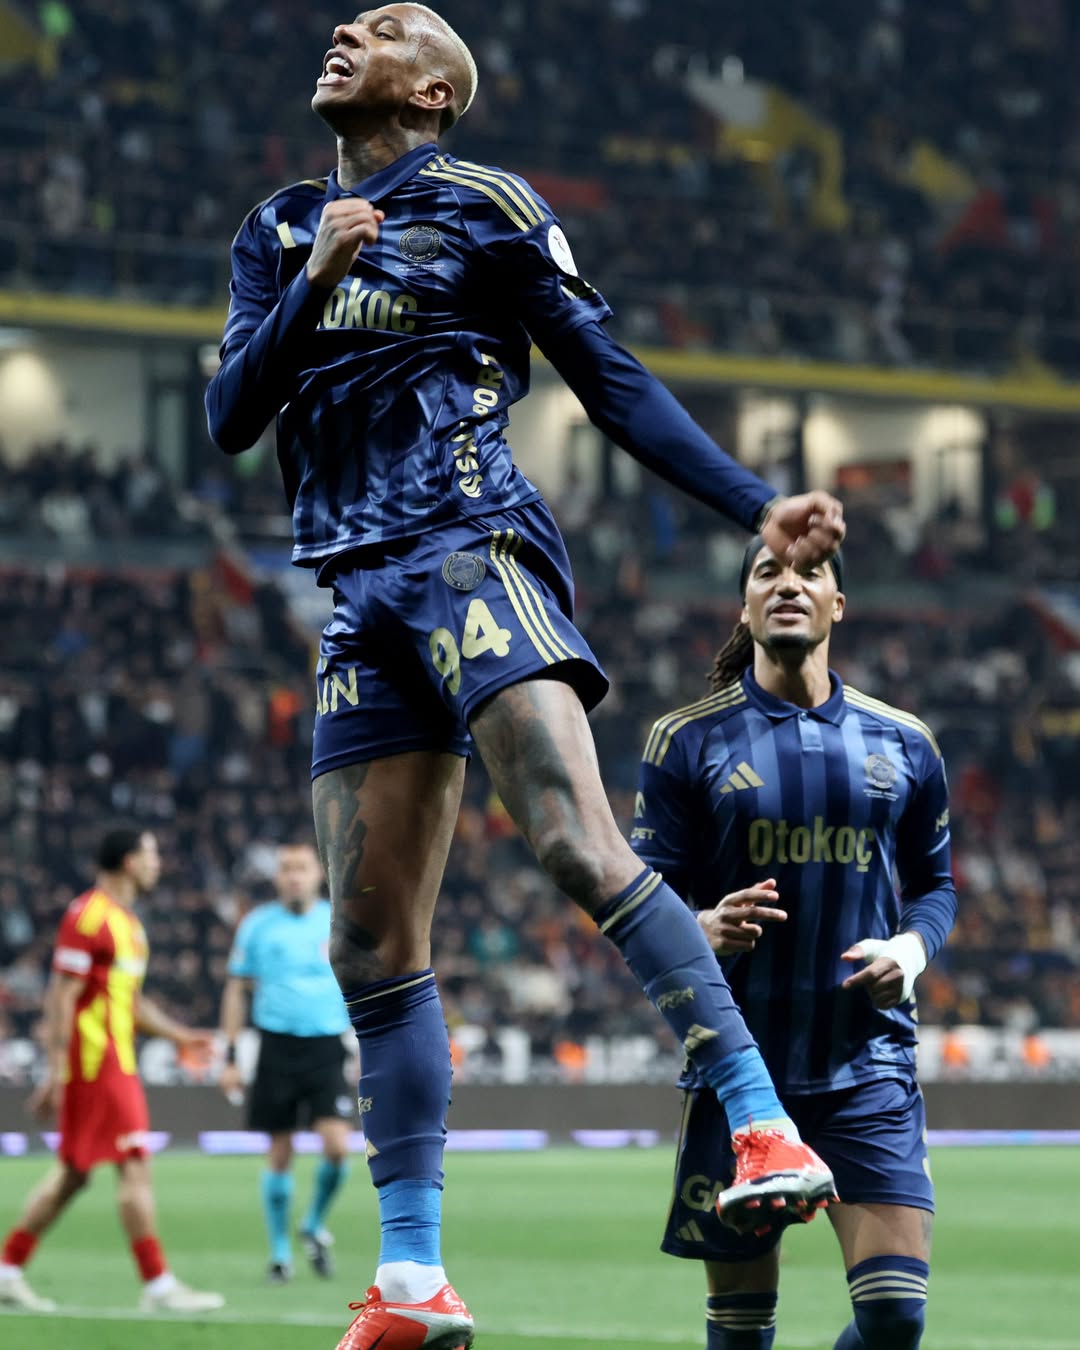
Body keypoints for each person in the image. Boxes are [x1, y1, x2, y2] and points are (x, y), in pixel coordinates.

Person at [205, 8, 846, 1347]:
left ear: (433, 91)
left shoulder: (483, 203)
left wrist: (753, 503)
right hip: (354, 592)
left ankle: (762, 1124)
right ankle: (413, 1279)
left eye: (386, 29)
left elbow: (607, 378)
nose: (347, 28)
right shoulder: (277, 228)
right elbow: (229, 416)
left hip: (466, 547)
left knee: (571, 839)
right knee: (369, 944)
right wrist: (316, 277)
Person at [631, 538, 957, 1350]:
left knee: (895, 1317)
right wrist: (697, 928)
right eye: (767, 573)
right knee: (743, 1333)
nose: (787, 585)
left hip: (866, 1064)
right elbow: (641, 901)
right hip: (737, 1069)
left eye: (809, 572)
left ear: (837, 604)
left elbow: (936, 886)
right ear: (744, 606)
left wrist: (909, 954)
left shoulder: (906, 742)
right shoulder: (684, 740)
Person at [0, 827, 224, 1315]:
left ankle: (7, 1271)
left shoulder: (129, 925)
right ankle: (158, 1285)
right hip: (95, 1064)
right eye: (151, 854)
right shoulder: (88, 916)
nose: (157, 863)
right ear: (128, 861)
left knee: (74, 1175)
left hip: (114, 1061)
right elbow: (61, 996)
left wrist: (179, 1036)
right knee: (135, 1163)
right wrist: (56, 1071)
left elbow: (131, 1002)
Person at [220, 842, 354, 1283]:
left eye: (301, 868)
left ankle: (313, 1223)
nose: (293, 876)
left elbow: (359, 981)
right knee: (280, 1151)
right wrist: (231, 1055)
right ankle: (280, 1253)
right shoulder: (257, 925)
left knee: (337, 1147)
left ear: (319, 874)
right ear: (277, 878)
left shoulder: (337, 922)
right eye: (285, 869)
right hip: (277, 1045)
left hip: (326, 1045)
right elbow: (237, 989)